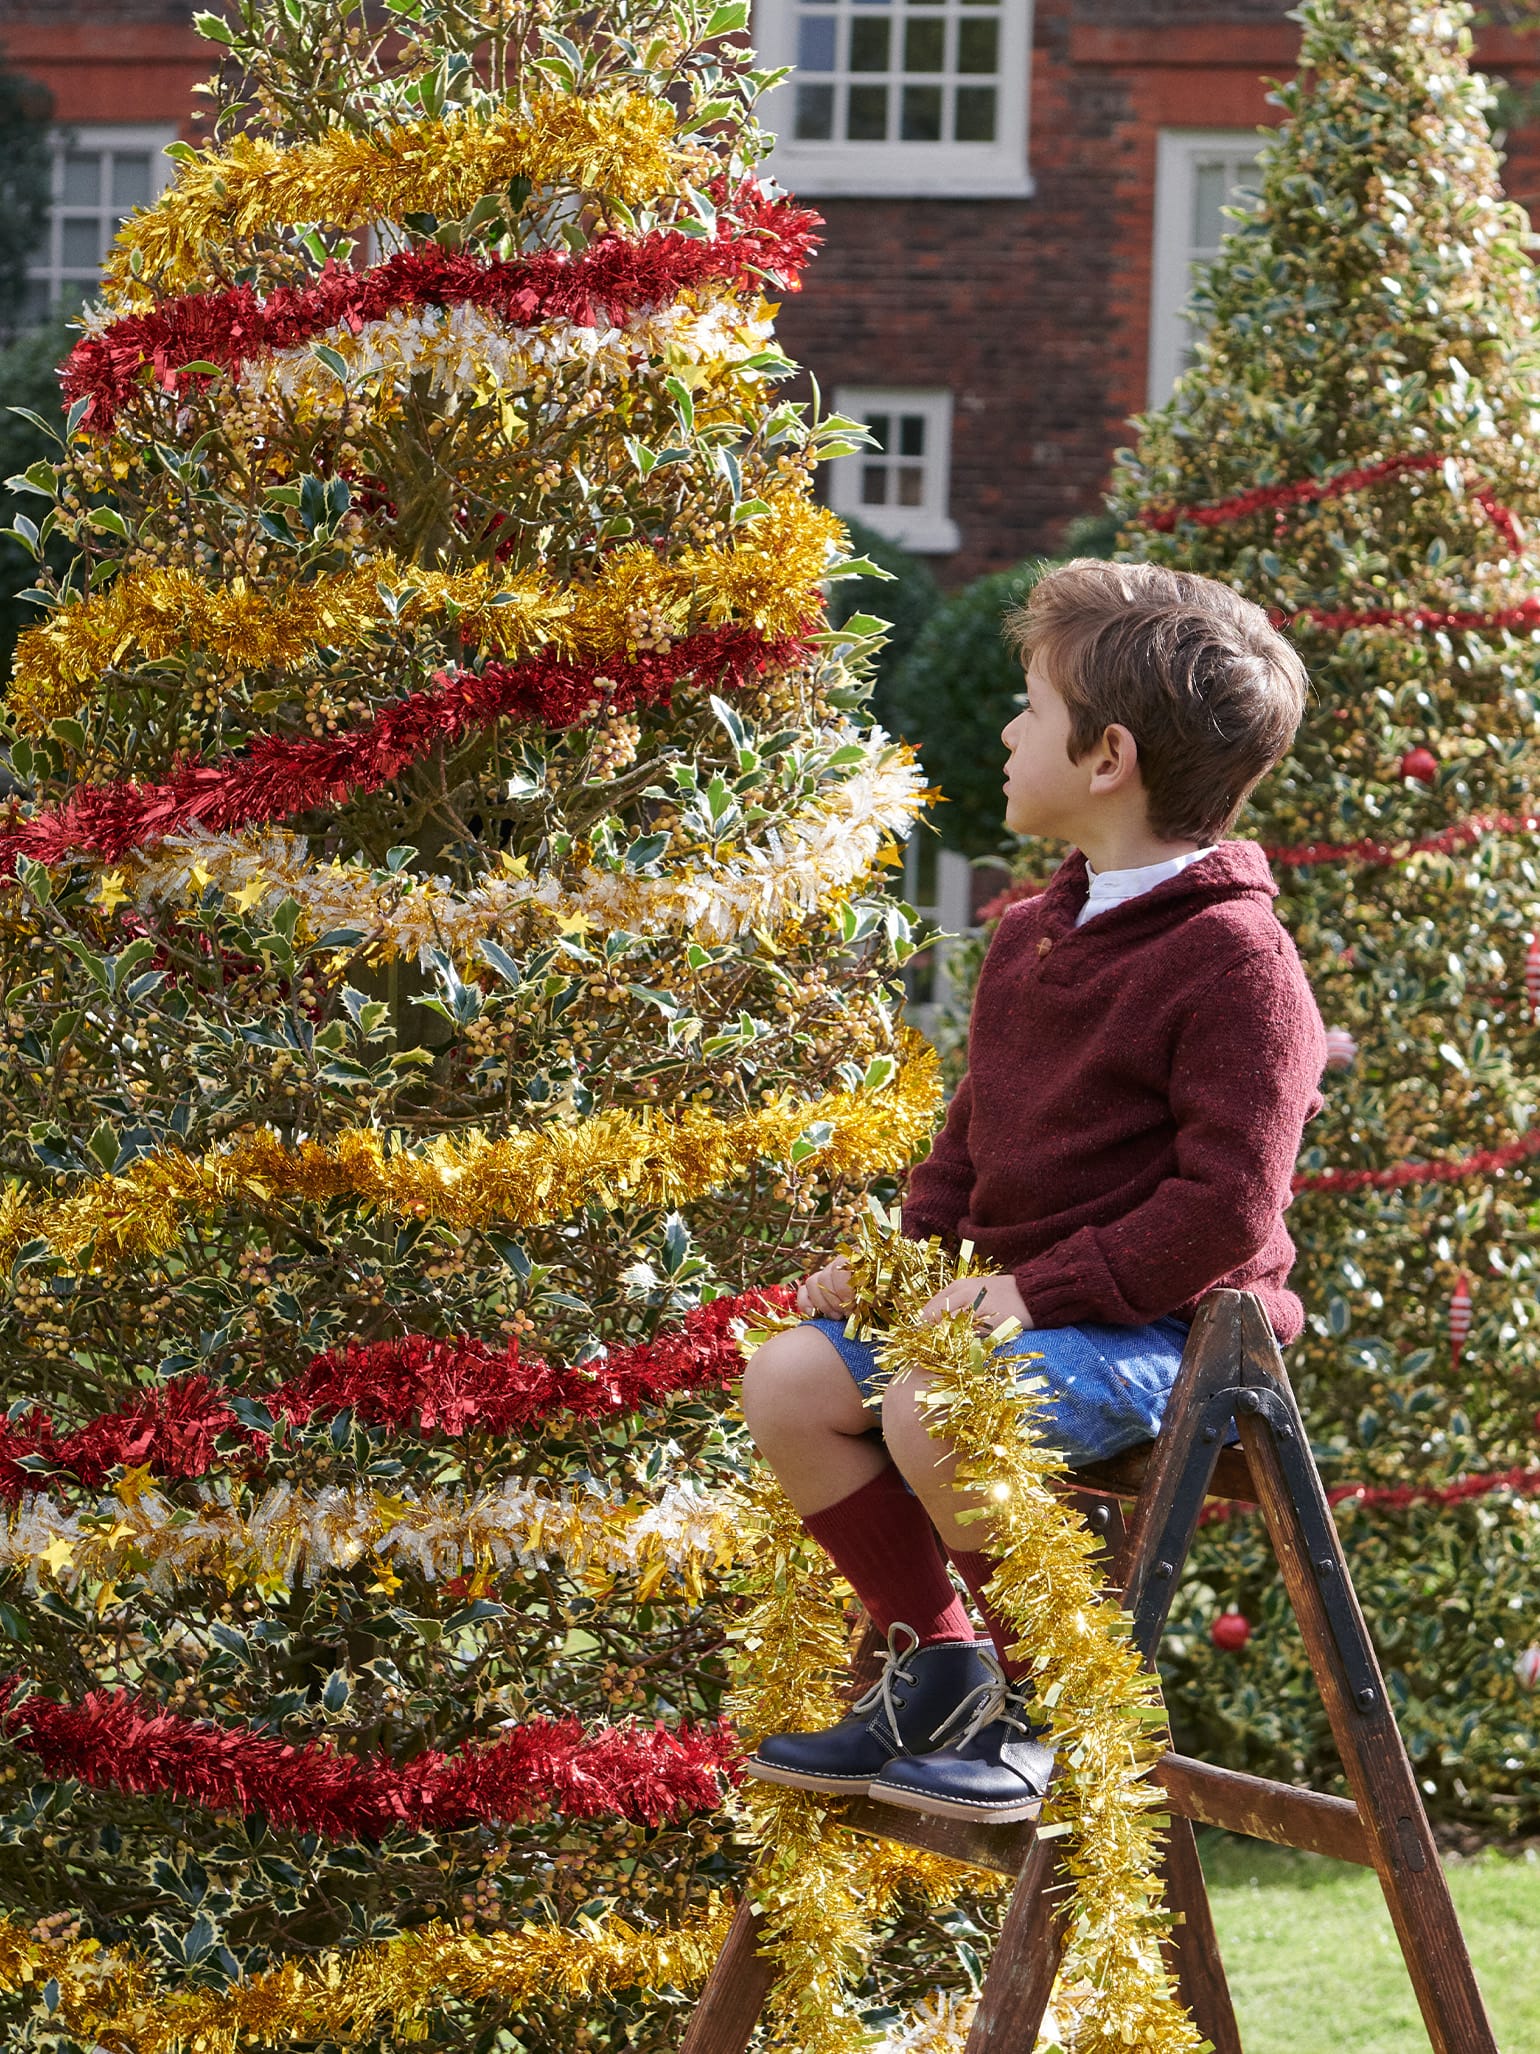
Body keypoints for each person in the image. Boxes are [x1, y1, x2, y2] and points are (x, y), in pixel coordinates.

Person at [738, 557, 1327, 1823]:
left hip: (1169, 1338)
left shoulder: (1239, 962)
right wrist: (901, 1260)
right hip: (1009, 1315)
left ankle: (1054, 1703)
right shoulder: (1028, 930)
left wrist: (1027, 1292)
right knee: (787, 1376)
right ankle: (943, 1663)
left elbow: (1224, 1207)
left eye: (1026, 706)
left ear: (1105, 755)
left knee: (935, 1401)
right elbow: (967, 1142)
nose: (1006, 729)